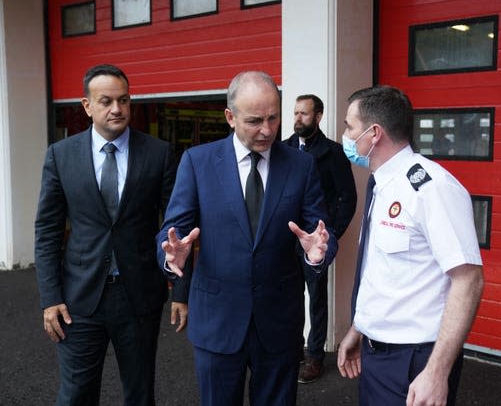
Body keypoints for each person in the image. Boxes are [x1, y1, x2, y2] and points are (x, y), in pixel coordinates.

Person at [157, 71, 338, 406]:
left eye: (273, 118)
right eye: (255, 120)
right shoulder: (197, 162)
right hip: (218, 321)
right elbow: (173, 231)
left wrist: (317, 254)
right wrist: (172, 256)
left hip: (279, 322)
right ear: (230, 117)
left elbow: (320, 232)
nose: (267, 130)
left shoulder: (301, 165)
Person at [34, 64, 177, 405]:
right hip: (78, 300)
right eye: (106, 101)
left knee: (140, 394)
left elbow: (175, 228)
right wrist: (50, 297)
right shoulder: (60, 155)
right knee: (76, 395)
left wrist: (181, 289)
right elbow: (47, 230)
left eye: (124, 100)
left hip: (139, 296)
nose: (117, 109)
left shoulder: (159, 153)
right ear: (87, 106)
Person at [336, 85, 484, 406]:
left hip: (414, 361)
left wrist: (436, 372)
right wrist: (360, 328)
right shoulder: (383, 185)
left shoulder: (431, 188)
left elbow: (468, 279)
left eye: (349, 126)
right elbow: (384, 273)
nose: (345, 136)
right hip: (377, 353)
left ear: (374, 133)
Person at [284, 94, 357, 383]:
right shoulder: (283, 148)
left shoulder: (334, 152)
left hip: (316, 243)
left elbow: (347, 197)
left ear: (318, 116)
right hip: (287, 238)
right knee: (288, 297)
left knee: (316, 299)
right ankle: (293, 350)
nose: (298, 119)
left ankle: (314, 356)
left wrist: (332, 234)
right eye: (295, 113)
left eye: (304, 114)